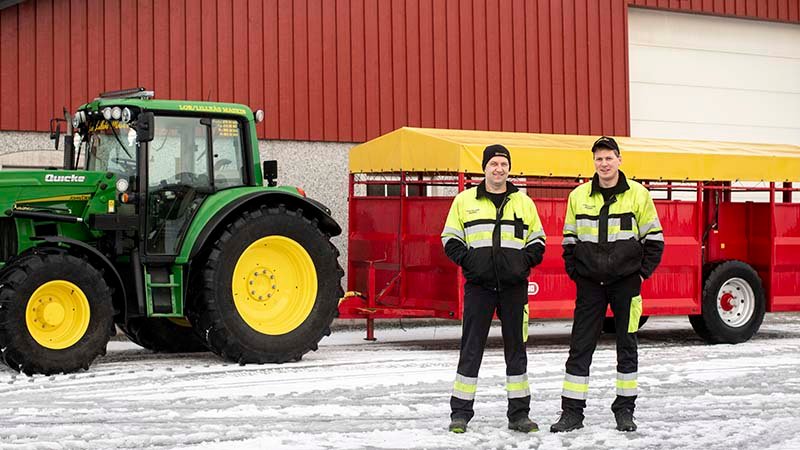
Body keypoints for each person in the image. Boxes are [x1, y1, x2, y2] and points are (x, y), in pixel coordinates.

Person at [550, 136, 664, 433]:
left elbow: (655, 240)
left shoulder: (639, 195)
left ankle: (625, 410)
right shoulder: (579, 196)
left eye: (608, 157)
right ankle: (572, 412)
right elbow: (569, 240)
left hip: (626, 285)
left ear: (619, 159)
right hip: (590, 285)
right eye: (599, 159)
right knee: (580, 346)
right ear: (594, 162)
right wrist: (577, 273)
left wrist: (639, 276)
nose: (604, 163)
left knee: (627, 346)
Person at [440, 144, 546, 434]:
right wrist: (470, 262)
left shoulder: (523, 202)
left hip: (514, 288)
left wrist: (522, 264)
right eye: (493, 164)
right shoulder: (465, 201)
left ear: (509, 168)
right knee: (471, 349)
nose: (498, 169)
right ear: (484, 168)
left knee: (517, 350)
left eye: (503, 164)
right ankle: (460, 414)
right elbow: (449, 238)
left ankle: (519, 415)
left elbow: (538, 240)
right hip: (479, 287)